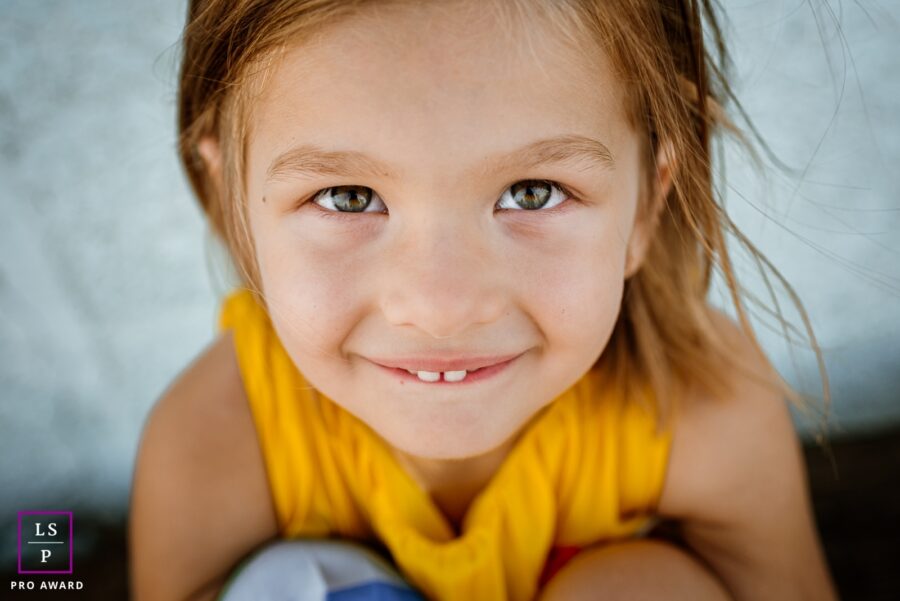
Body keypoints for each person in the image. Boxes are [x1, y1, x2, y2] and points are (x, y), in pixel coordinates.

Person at [129, 1, 840, 599]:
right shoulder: (215, 448)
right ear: (232, 204)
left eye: (532, 192)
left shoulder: (703, 410)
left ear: (648, 202)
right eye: (348, 198)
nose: (443, 307)